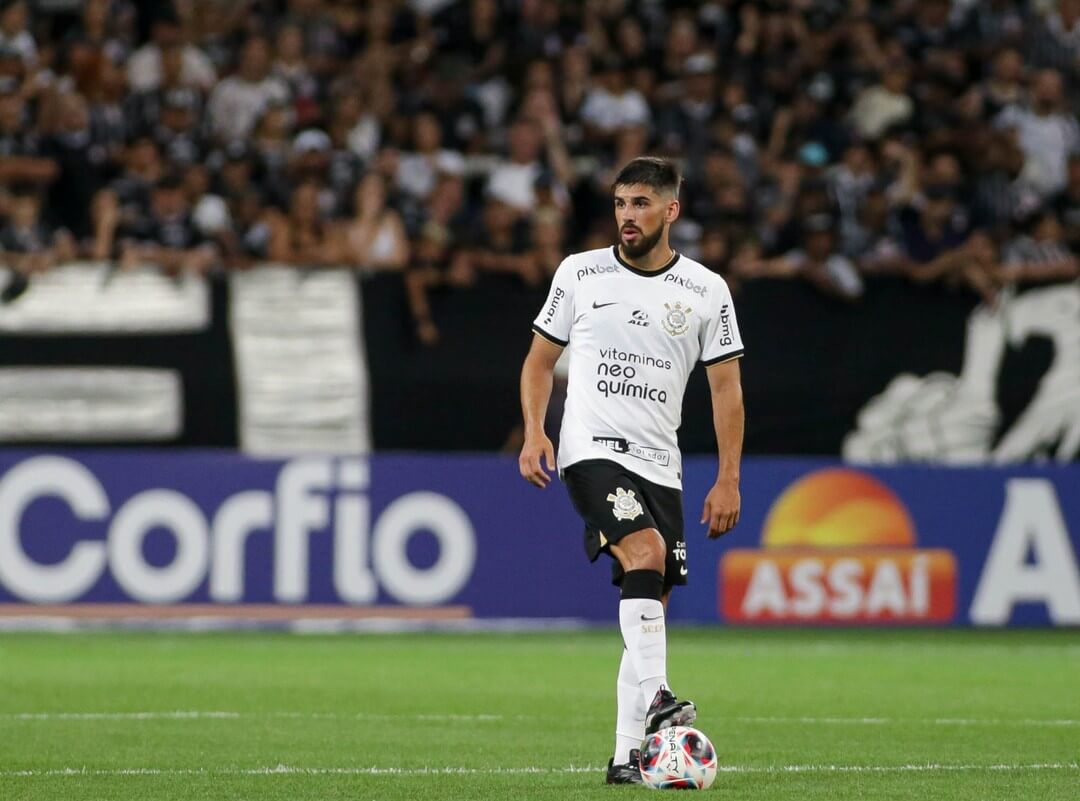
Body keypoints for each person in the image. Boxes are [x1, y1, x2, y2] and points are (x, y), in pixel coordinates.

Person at [517, 157, 745, 785]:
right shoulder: (580, 273)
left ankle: (624, 758)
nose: (627, 216)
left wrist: (728, 478)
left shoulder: (705, 290)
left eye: (641, 204)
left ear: (670, 210)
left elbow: (726, 389)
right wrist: (537, 430)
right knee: (642, 553)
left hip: (662, 465)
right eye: (620, 204)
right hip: (591, 449)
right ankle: (660, 699)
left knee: (650, 606)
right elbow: (539, 362)